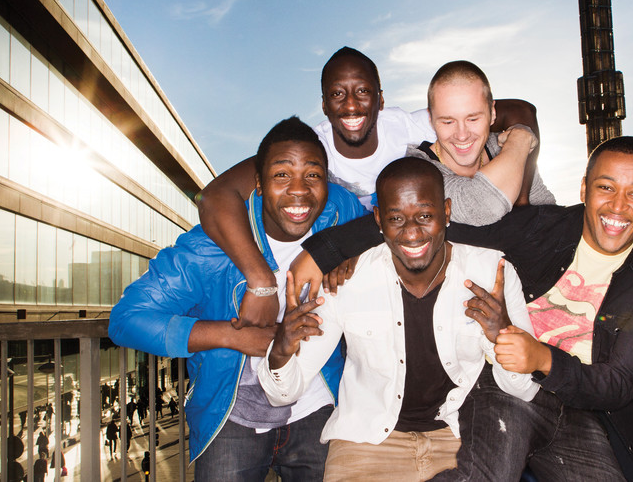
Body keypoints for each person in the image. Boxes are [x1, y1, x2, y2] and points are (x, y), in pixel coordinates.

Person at [300, 136, 633, 481]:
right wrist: (326, 253)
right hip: (506, 389)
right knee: (485, 473)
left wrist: (542, 359)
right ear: (585, 187)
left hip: (582, 410)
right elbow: (432, 223)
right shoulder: (541, 227)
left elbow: (618, 384)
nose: (618, 206)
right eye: (606, 187)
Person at [196, 47, 542, 329]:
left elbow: (520, 111)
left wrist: (523, 197)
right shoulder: (308, 151)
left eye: (363, 92)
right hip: (339, 275)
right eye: (337, 94)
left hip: (401, 258)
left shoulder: (406, 127)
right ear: (323, 104)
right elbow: (214, 196)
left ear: (380, 98)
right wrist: (260, 280)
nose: (351, 105)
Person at [109, 117, 365, 478]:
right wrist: (234, 336)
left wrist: (346, 248)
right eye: (281, 175)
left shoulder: (337, 210)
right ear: (258, 183)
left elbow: (382, 224)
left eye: (313, 175)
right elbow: (126, 320)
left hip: (317, 405)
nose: (299, 190)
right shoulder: (206, 250)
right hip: (232, 417)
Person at [258, 157, 538, 482]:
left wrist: (502, 336)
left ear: (447, 211)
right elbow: (282, 394)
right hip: (366, 443)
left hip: (459, 437)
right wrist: (281, 351)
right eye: (396, 218)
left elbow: (524, 390)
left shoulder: (492, 273)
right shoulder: (346, 281)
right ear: (378, 219)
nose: (412, 232)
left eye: (425, 216)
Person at [407, 60, 555, 225]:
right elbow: (480, 207)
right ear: (430, 119)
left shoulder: (501, 149)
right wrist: (520, 139)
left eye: (473, 119)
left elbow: (549, 215)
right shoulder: (415, 169)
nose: (462, 135)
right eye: (448, 122)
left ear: (492, 113)